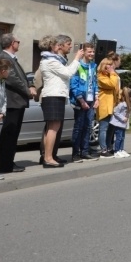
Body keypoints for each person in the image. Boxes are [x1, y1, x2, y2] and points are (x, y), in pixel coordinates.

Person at [40, 35, 83, 168]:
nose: (58, 46)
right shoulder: (50, 61)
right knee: (53, 128)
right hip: (53, 96)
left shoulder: (52, 60)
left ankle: (48, 156)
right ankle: (48, 158)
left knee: (52, 128)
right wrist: (77, 58)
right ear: (52, 47)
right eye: (56, 44)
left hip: (55, 95)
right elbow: (68, 73)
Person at [0, 33, 35, 174]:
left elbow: (21, 78)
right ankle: (6, 165)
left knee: (13, 134)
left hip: (16, 101)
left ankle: (9, 162)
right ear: (12, 43)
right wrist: (28, 91)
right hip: (12, 101)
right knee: (9, 134)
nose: (19, 43)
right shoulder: (4, 58)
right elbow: (12, 79)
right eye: (18, 41)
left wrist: (30, 85)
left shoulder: (11, 58)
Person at [69, 43, 98, 162]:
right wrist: (81, 100)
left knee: (88, 126)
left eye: (93, 51)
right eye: (89, 51)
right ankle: (75, 153)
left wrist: (97, 98)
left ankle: (85, 151)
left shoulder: (93, 66)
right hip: (80, 100)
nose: (92, 54)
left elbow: (95, 83)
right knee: (79, 127)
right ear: (83, 52)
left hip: (91, 101)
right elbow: (73, 85)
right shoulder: (78, 66)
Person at [96, 58, 120, 158]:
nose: (111, 67)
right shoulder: (100, 77)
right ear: (103, 66)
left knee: (111, 128)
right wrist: (113, 73)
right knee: (104, 128)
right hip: (104, 106)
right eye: (108, 65)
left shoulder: (110, 76)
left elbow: (117, 87)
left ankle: (109, 147)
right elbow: (112, 84)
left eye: (111, 65)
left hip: (112, 106)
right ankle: (103, 149)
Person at [110, 87, 131, 158]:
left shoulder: (127, 105)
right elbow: (115, 111)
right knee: (119, 138)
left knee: (122, 137)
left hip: (123, 124)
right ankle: (116, 151)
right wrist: (123, 118)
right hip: (118, 124)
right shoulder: (121, 104)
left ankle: (121, 149)